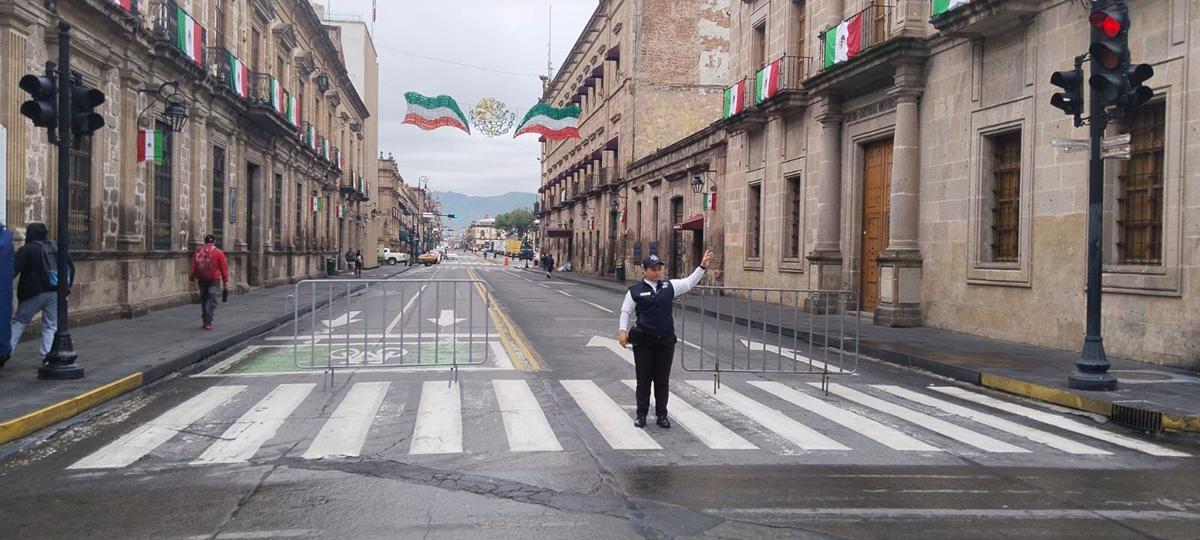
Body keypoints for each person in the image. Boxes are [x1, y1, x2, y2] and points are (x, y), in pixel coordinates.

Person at [618, 249, 713, 428]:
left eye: (659, 269)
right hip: (644, 343)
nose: (657, 272)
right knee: (643, 380)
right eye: (653, 269)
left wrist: (701, 266)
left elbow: (688, 283)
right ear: (644, 270)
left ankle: (662, 415)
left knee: (662, 380)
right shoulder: (635, 291)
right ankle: (641, 415)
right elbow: (626, 310)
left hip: (665, 342)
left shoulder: (668, 286)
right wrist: (622, 331)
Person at [9, 223, 74, 362]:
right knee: (50, 325)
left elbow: (12, 271)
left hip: (33, 294)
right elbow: (71, 267)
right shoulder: (57, 247)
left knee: (20, 321)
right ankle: (48, 357)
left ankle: (5, 352)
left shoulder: (27, 249)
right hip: (56, 292)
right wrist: (67, 288)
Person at [189, 235, 229, 331]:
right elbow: (224, 268)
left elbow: (194, 265)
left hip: (201, 279)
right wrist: (225, 281)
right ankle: (208, 322)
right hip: (213, 280)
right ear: (214, 242)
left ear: (205, 241)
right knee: (211, 300)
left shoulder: (198, 251)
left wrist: (192, 278)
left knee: (204, 299)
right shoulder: (218, 252)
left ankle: (204, 320)